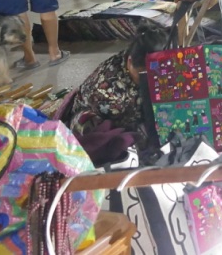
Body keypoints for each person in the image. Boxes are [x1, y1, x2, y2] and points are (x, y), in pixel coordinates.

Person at [62, 21, 170, 162]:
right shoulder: (107, 95)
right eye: (144, 76)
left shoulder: (137, 55)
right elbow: (136, 127)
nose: (151, 81)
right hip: (97, 126)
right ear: (130, 63)